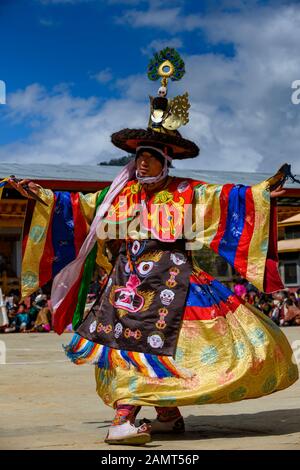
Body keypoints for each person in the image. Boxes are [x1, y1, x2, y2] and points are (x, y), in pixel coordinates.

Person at [9, 47, 298, 445]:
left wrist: (263, 191)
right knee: (132, 342)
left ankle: (152, 415)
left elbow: (226, 197)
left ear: (165, 161)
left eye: (151, 158)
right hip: (131, 284)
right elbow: (81, 206)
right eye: (139, 158)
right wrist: (42, 194)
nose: (143, 164)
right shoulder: (121, 196)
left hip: (177, 279)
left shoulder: (185, 191)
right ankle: (145, 415)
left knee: (176, 343)